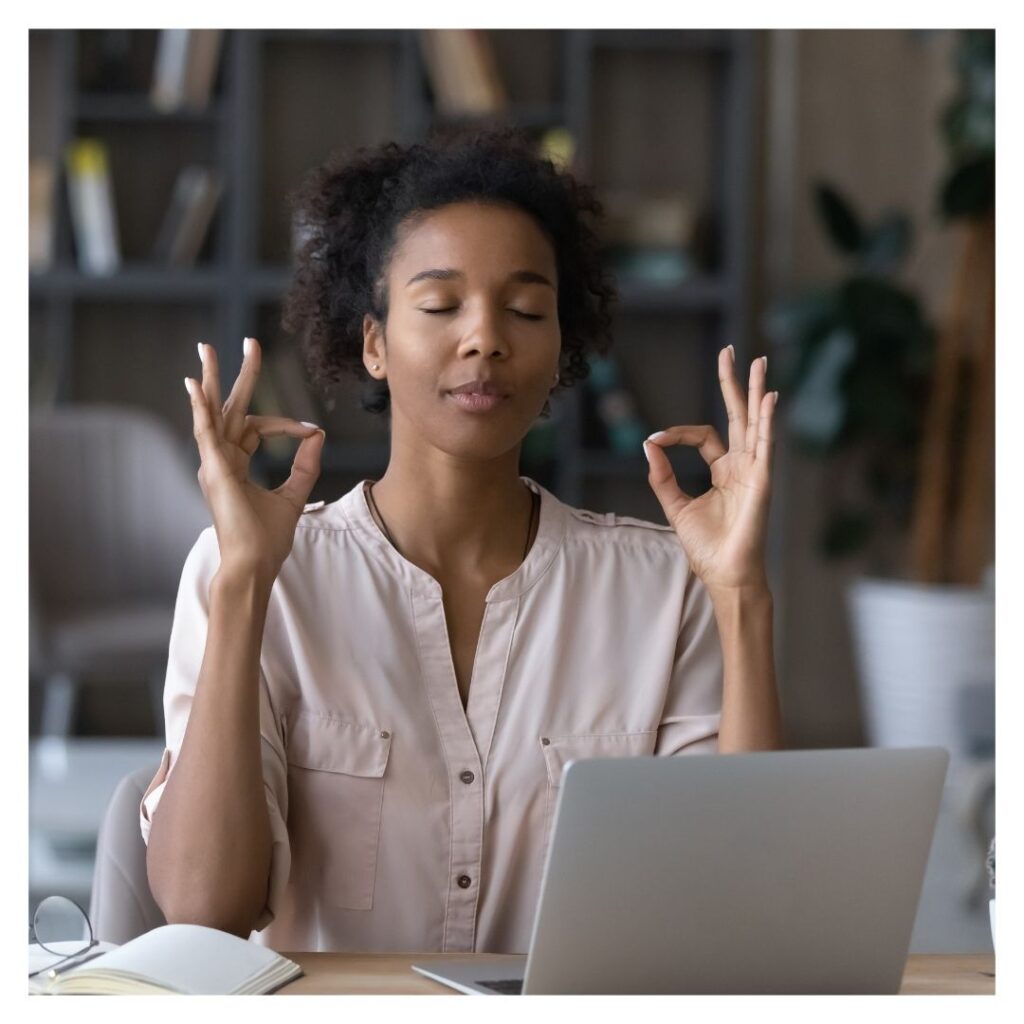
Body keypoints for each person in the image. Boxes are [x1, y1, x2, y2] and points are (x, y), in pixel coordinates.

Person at [141, 126, 783, 954]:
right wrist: (244, 583)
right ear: (373, 343)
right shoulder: (259, 574)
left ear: (560, 350)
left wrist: (741, 594)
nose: (486, 337)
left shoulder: (666, 587)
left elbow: (742, 910)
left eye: (526, 309)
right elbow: (204, 913)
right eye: (441, 305)